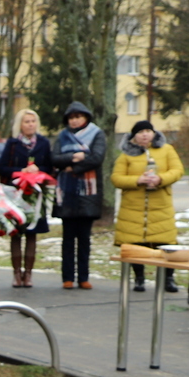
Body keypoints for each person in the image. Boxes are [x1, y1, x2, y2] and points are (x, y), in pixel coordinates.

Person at [112, 120, 185, 292]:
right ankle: (139, 278)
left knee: (166, 243)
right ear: (133, 137)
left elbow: (177, 171)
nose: (144, 134)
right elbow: (116, 178)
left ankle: (168, 278)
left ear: (153, 133)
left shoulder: (167, 150)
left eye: (148, 131)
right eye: (140, 132)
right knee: (136, 245)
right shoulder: (126, 155)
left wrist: (160, 179)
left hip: (161, 207)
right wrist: (138, 180)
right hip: (133, 208)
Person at [51, 102, 106, 289]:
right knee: (68, 237)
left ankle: (83, 277)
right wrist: (77, 155)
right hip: (66, 192)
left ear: (86, 117)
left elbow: (96, 158)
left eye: (78, 117)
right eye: (71, 118)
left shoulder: (97, 134)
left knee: (84, 237)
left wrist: (71, 166)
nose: (75, 121)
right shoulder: (62, 135)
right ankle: (67, 277)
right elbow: (55, 158)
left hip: (88, 193)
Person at [0, 109, 54, 288]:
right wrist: (20, 172)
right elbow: (2, 168)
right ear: (20, 125)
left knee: (32, 233)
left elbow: (51, 167)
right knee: (16, 233)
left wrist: (38, 171)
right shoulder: (13, 144)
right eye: (26, 121)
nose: (30, 124)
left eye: (33, 121)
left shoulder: (44, 143)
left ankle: (28, 274)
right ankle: (16, 274)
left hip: (36, 195)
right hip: (17, 194)